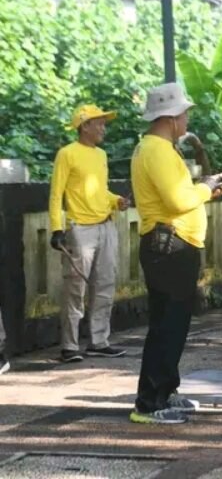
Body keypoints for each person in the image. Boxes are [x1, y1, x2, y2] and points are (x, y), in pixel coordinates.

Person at [129, 83, 222, 424]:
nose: (187, 120)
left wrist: (205, 189)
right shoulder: (157, 150)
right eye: (185, 114)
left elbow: (178, 196)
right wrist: (204, 188)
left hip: (173, 244)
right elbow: (176, 201)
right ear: (172, 117)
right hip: (170, 246)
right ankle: (149, 403)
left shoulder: (156, 148)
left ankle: (165, 390)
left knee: (171, 324)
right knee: (167, 326)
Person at [48, 104, 128, 363]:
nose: (103, 128)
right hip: (80, 228)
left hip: (106, 224)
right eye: (99, 123)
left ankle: (99, 341)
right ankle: (69, 346)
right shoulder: (67, 154)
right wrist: (56, 228)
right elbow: (56, 194)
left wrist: (116, 200)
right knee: (75, 287)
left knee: (105, 284)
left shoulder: (101, 155)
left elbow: (100, 189)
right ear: (85, 126)